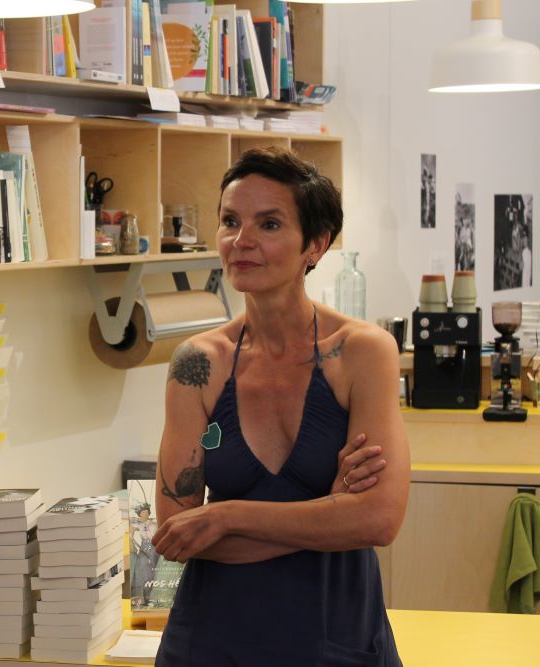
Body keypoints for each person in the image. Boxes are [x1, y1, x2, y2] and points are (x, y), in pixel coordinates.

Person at [153, 147, 409, 665]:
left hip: (335, 637)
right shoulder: (197, 363)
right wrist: (330, 512)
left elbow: (378, 520)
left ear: (316, 244)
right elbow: (177, 534)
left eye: (268, 224)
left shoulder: (362, 352)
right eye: (230, 221)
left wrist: (227, 516)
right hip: (211, 641)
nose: (241, 241)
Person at [130, 502, 159, 607]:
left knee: (151, 574)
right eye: (142, 512)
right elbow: (129, 528)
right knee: (139, 572)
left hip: (153, 549)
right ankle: (140, 598)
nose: (145, 514)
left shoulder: (154, 523)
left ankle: (149, 598)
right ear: (139, 514)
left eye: (146, 512)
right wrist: (130, 538)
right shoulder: (138, 524)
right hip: (143, 549)